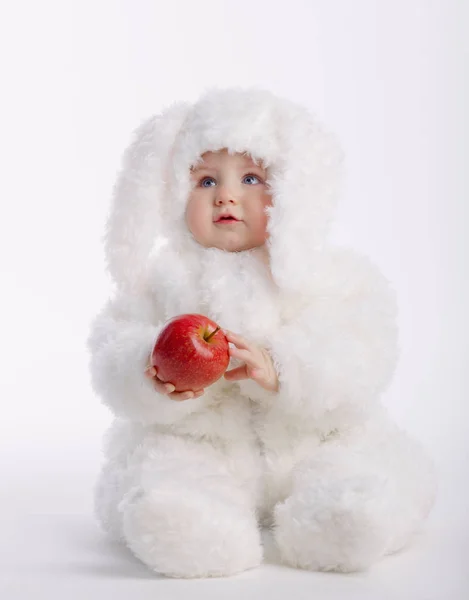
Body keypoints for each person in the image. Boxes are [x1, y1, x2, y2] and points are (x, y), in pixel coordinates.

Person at [87, 87, 437, 579]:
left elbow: (364, 345)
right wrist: (151, 370)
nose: (227, 195)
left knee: (369, 464)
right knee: (161, 467)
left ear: (294, 189)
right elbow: (111, 342)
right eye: (206, 180)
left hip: (313, 436)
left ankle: (341, 514)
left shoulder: (325, 275)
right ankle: (191, 522)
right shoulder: (161, 283)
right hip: (204, 441)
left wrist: (284, 366)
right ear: (171, 193)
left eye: (252, 177)